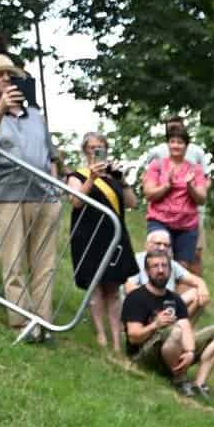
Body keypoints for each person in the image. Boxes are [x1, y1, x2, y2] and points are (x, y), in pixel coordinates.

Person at [0, 53, 59, 336]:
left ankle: (42, 322)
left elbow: (51, 155)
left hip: (45, 196)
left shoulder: (36, 116)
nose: (6, 78)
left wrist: (56, 190)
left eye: (10, 74)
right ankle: (22, 321)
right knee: (14, 261)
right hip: (8, 194)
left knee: (44, 264)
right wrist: (0, 110)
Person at [65, 131, 137, 352]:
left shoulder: (114, 177)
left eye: (100, 147)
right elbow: (76, 201)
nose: (96, 151)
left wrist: (123, 181)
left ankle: (116, 340)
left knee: (114, 289)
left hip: (114, 237)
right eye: (91, 148)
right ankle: (100, 336)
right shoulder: (77, 176)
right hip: (88, 237)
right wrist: (92, 178)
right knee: (95, 288)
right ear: (85, 151)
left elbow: (132, 203)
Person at [121, 249, 214, 396]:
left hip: (173, 348)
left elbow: (185, 326)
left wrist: (189, 352)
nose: (160, 270)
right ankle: (180, 379)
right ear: (147, 271)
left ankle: (198, 384)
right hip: (144, 355)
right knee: (174, 331)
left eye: (164, 266)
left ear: (170, 271)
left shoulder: (175, 299)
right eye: (155, 266)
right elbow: (133, 337)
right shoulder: (136, 298)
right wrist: (155, 325)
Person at [140, 124, 206, 274]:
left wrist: (190, 187)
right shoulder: (157, 166)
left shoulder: (196, 169)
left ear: (186, 146)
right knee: (158, 262)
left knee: (181, 269)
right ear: (168, 144)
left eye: (180, 142)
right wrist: (166, 186)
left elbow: (202, 199)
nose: (176, 145)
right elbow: (149, 193)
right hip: (160, 221)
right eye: (173, 141)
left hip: (187, 226)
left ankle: (177, 297)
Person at [125, 227, 210, 316]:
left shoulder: (171, 264)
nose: (162, 248)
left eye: (166, 245)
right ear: (147, 245)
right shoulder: (136, 260)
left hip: (166, 307)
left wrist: (202, 286)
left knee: (197, 293)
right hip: (143, 306)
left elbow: (195, 280)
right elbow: (130, 288)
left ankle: (181, 327)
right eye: (158, 244)